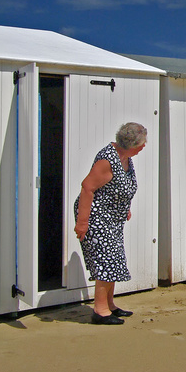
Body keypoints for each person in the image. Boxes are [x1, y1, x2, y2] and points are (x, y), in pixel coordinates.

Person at [74, 122, 146, 325]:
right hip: (96, 215)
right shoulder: (108, 159)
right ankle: (100, 310)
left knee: (114, 258)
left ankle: (109, 305)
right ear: (131, 143)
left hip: (112, 216)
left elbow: (119, 188)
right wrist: (82, 222)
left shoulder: (126, 158)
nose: (143, 147)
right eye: (141, 143)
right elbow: (87, 188)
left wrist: (125, 207)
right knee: (105, 260)